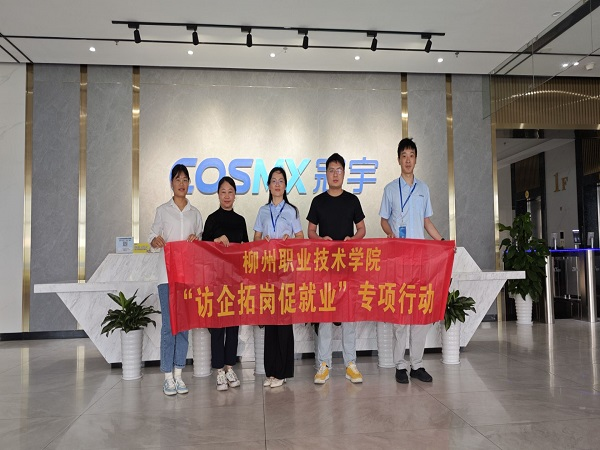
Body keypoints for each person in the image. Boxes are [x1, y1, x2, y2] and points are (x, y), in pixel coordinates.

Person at [379, 138, 444, 384]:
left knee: (419, 313)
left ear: (416, 159)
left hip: (420, 261)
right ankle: (399, 364)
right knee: (400, 314)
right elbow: (383, 220)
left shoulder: (423, 189)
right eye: (404, 155)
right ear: (398, 159)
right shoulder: (389, 189)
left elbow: (427, 222)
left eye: (411, 155)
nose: (408, 160)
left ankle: (416, 364)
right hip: (399, 260)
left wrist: (442, 242)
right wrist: (390, 232)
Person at [307, 153, 366, 385]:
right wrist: (321, 240)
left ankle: (351, 364)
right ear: (326, 174)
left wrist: (353, 239)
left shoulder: (352, 200)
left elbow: (362, 229)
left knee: (348, 316)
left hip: (348, 266)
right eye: (331, 170)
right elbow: (310, 231)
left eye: (338, 170)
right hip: (325, 267)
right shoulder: (318, 201)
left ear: (344, 173)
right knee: (325, 316)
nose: (335, 174)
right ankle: (324, 365)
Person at [149, 164, 203, 395]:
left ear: (189, 183)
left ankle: (179, 374)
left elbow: (201, 243)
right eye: (177, 179)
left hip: (187, 277)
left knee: (184, 326)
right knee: (169, 326)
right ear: (171, 183)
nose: (181, 183)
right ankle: (167, 376)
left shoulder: (195, 213)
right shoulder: (162, 211)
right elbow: (153, 235)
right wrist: (155, 241)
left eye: (185, 180)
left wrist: (196, 240)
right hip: (166, 276)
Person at [253, 167, 304, 388]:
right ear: (269, 185)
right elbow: (255, 238)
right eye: (273, 181)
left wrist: (289, 241)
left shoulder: (292, 211)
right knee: (270, 322)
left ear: (285, 186)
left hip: (285, 272)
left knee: (283, 322)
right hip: (267, 271)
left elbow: (300, 237)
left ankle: (282, 372)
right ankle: (271, 371)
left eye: (280, 181)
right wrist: (262, 240)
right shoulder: (263, 211)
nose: (277, 184)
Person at [202, 176, 249, 391]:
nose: (227, 196)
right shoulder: (211, 219)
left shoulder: (240, 220)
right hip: (216, 281)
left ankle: (230, 367)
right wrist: (215, 242)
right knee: (218, 326)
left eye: (230, 192)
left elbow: (247, 249)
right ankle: (219, 371)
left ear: (235, 195)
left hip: (235, 281)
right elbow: (203, 250)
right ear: (218, 195)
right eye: (223, 192)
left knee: (233, 326)